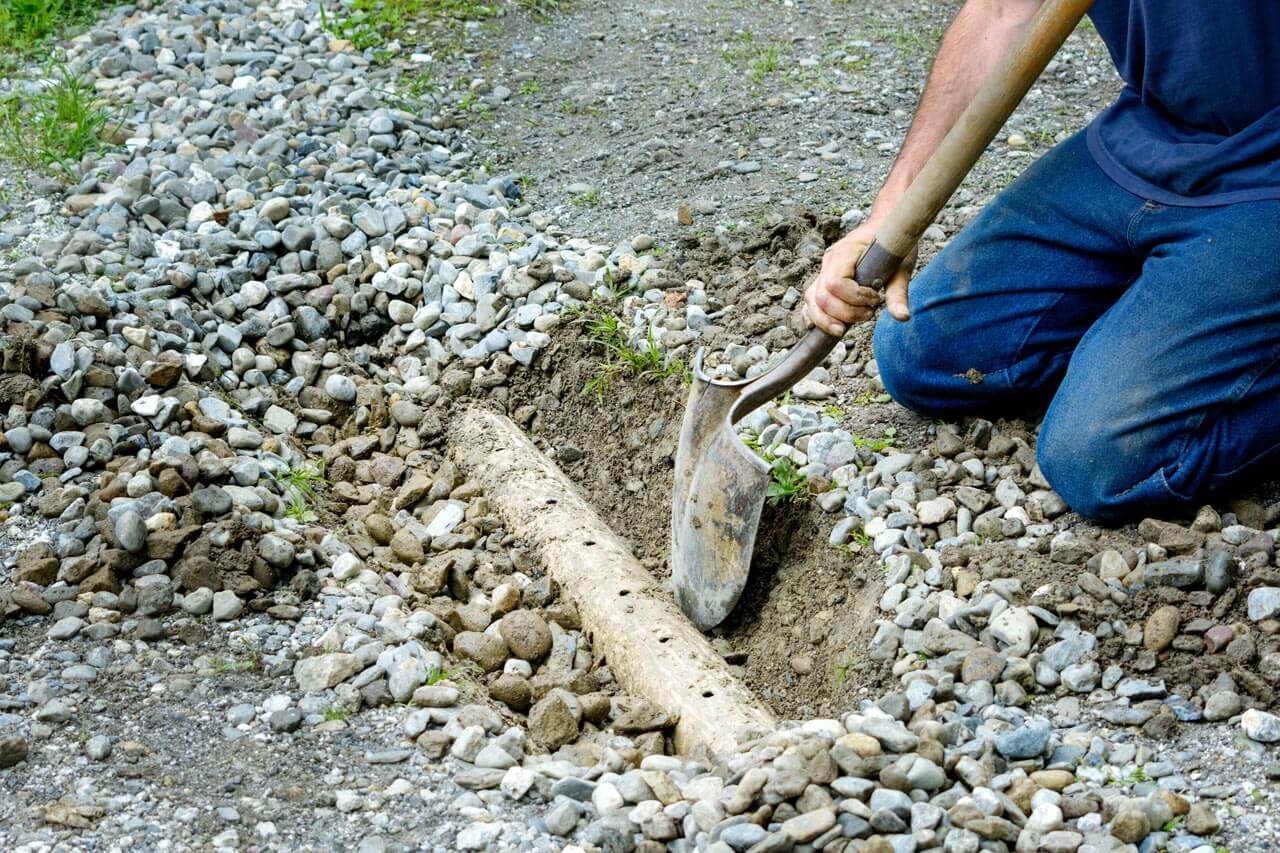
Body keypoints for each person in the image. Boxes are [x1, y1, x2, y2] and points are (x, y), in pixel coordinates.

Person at [804, 0, 1280, 522]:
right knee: (919, 351)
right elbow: (1001, 12)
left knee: (1100, 463)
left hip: (1268, 177)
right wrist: (890, 218)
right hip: (1151, 134)